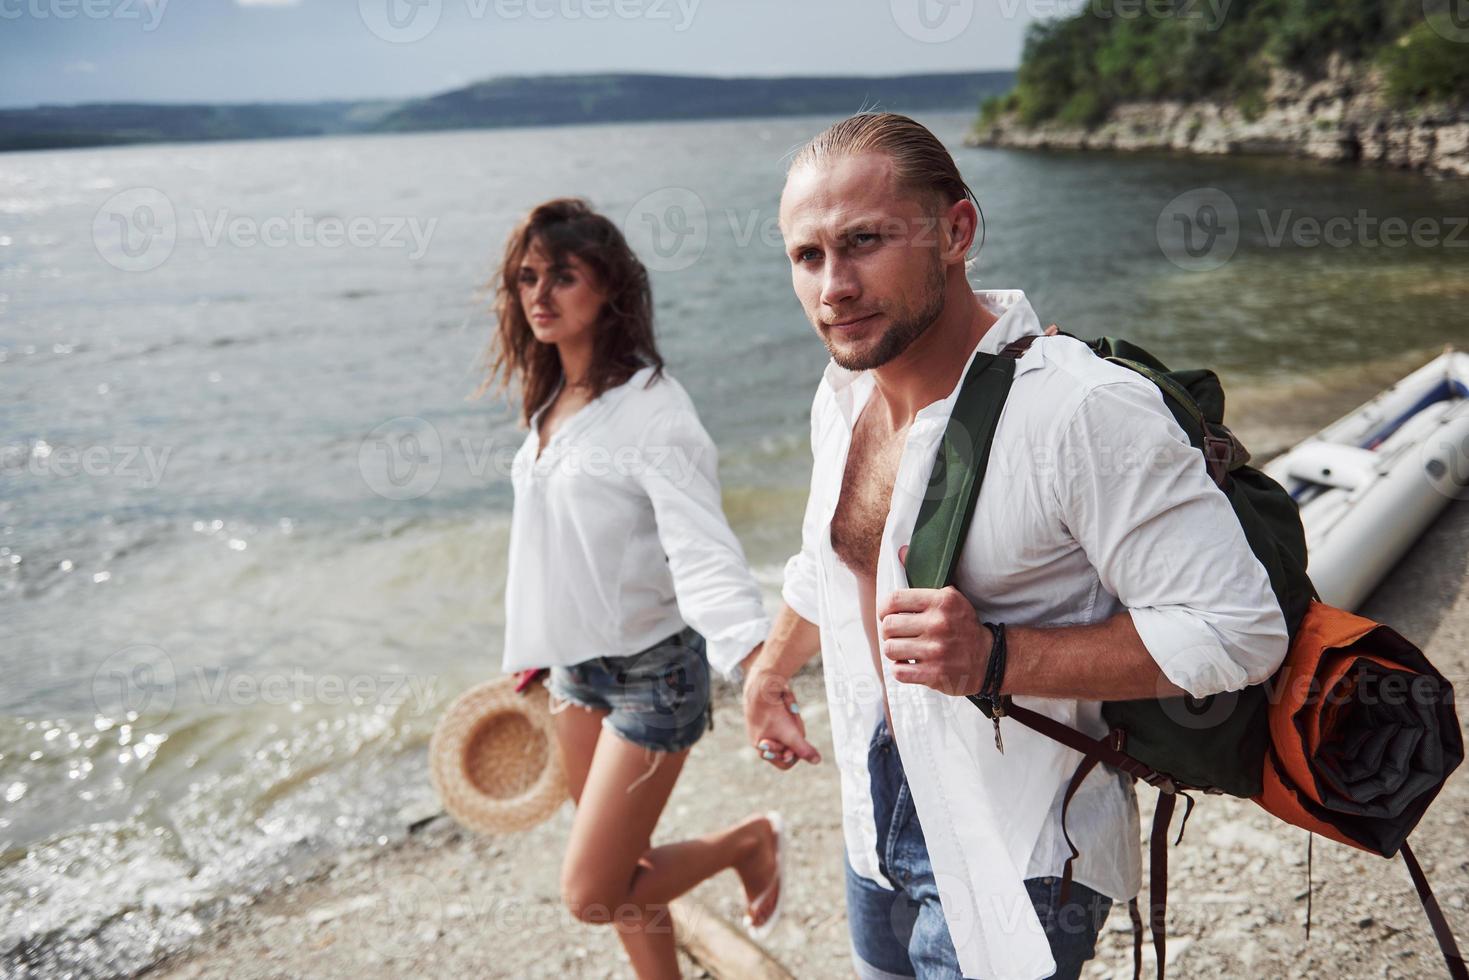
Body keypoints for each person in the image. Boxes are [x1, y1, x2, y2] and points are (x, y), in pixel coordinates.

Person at [735, 114, 1289, 979]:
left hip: (1020, 840)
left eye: (864, 242)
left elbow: (1238, 632)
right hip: (874, 797)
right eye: (807, 257)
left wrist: (993, 656)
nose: (832, 287)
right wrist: (771, 670)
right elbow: (830, 555)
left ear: (956, 231)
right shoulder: (842, 391)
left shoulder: (1077, 411)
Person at [480, 198, 783, 980]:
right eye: (526, 278)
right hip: (575, 672)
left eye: (563, 277)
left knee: (591, 892)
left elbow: (705, 551)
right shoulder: (553, 398)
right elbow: (554, 546)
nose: (539, 295)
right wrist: (535, 646)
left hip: (654, 675)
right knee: (626, 874)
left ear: (609, 289)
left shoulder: (654, 412)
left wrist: (759, 664)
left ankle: (745, 842)